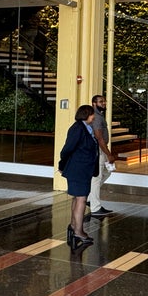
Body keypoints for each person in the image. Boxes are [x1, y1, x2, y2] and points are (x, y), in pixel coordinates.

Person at [57, 105, 98, 250]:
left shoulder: (85, 127)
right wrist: (62, 164)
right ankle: (79, 232)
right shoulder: (78, 128)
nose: (94, 117)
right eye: (92, 114)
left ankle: (74, 226)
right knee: (81, 198)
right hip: (78, 169)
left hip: (82, 169)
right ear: (86, 114)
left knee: (77, 198)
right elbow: (67, 148)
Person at [87, 94, 115, 218]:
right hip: (99, 149)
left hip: (101, 148)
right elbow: (99, 137)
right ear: (94, 103)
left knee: (106, 173)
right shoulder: (96, 117)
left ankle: (89, 198)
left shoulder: (99, 115)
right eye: (100, 102)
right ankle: (95, 207)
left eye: (104, 101)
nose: (103, 103)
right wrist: (108, 153)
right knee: (97, 177)